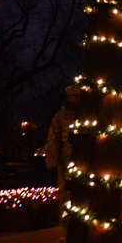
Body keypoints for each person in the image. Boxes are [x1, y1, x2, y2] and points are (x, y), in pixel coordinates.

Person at [45, 84, 80, 230]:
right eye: (72, 96)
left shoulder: (85, 115)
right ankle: (66, 229)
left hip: (83, 162)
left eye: (77, 96)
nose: (75, 99)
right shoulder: (60, 116)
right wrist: (52, 161)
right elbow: (53, 139)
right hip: (65, 163)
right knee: (65, 196)